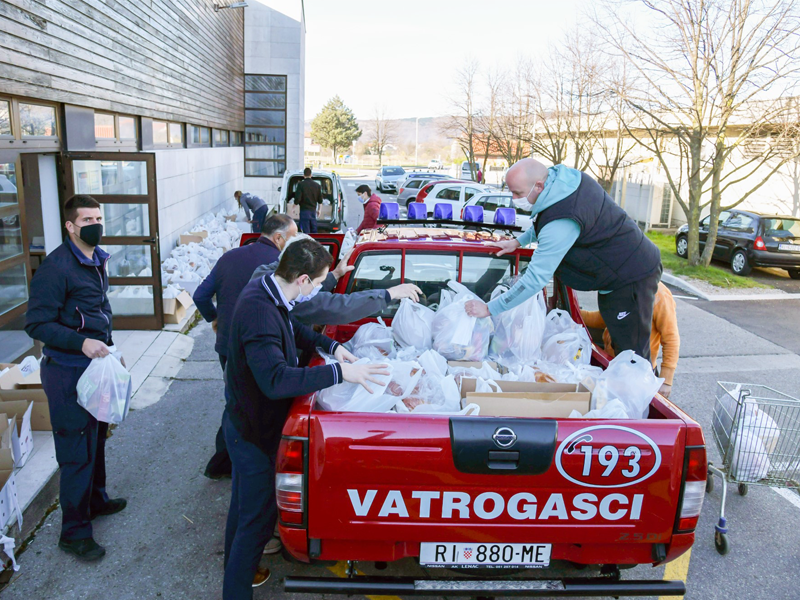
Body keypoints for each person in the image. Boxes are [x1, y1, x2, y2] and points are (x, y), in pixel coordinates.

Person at [222, 237, 388, 599]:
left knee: (242, 511)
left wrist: (331, 347)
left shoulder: (269, 290)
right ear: (302, 280)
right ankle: (235, 588)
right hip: (253, 432)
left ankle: (233, 573)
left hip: (243, 423)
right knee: (256, 523)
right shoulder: (259, 313)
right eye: (319, 282)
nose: (318, 290)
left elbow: (292, 329)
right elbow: (276, 381)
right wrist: (339, 374)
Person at [465, 158, 662, 362]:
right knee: (620, 347)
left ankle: (643, 381)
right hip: (614, 276)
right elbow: (547, 222)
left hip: (632, 274)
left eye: (518, 193)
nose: (514, 199)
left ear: (538, 186)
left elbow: (534, 279)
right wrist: (518, 242)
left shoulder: (563, 218)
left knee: (633, 356)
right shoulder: (563, 183)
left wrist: (489, 308)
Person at [25, 195, 127, 562]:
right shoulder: (56, 268)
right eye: (87, 220)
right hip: (66, 371)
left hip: (94, 366)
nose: (95, 225)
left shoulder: (96, 259)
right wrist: (81, 343)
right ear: (70, 226)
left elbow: (99, 309)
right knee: (76, 451)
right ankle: (74, 532)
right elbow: (36, 324)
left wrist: (110, 348)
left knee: (96, 438)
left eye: (98, 218)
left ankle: (96, 500)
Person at [194, 214, 301, 482]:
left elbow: (200, 295)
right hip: (264, 342)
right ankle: (247, 463)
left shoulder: (230, 256)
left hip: (227, 344)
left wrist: (215, 318)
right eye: (294, 236)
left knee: (235, 399)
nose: (297, 242)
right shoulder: (281, 265)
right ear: (279, 238)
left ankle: (224, 460)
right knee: (256, 405)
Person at [580, 282, 680, 398]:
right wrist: (575, 313)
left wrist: (666, 380)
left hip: (639, 374)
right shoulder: (621, 284)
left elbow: (671, 338)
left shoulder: (659, 294)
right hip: (612, 367)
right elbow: (604, 319)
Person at [294, 167, 323, 233]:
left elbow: (297, 199)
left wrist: (293, 207)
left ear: (304, 175)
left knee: (306, 231)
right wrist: (319, 210)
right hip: (313, 212)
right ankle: (314, 239)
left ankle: (307, 239)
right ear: (311, 175)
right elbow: (320, 201)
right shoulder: (317, 186)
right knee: (314, 230)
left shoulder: (300, 185)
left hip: (304, 211)